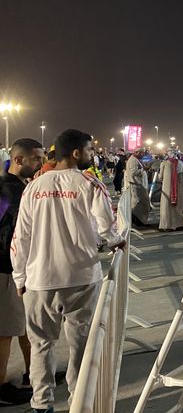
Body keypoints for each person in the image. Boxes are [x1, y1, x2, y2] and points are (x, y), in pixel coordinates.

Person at [10, 129, 126, 412]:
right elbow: (106, 228)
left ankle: (41, 403)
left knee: (41, 346)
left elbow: (20, 237)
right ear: (76, 153)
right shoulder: (90, 184)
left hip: (39, 281)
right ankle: (78, 401)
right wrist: (116, 242)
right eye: (89, 151)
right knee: (82, 348)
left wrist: (19, 277)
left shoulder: (33, 188)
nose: (92, 155)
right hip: (81, 279)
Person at [0, 139, 43, 405]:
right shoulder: (7, 190)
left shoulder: (20, 187)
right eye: (36, 159)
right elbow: (7, 233)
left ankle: (33, 372)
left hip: (18, 269)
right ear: (19, 160)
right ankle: (1, 386)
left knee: (25, 325)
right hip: (6, 269)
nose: (40, 163)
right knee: (5, 331)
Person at [158, 152, 183, 232]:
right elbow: (181, 174)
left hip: (166, 188)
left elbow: (160, 177)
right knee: (178, 206)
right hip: (178, 187)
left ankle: (166, 225)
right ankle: (178, 225)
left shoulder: (164, 163)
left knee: (166, 207)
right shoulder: (180, 163)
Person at [124, 149, 151, 226]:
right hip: (136, 184)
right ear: (137, 152)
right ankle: (136, 220)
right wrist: (143, 169)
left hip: (139, 184)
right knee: (137, 203)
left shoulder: (136, 159)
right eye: (142, 153)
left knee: (142, 203)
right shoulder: (133, 160)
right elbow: (132, 172)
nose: (143, 154)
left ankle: (140, 221)